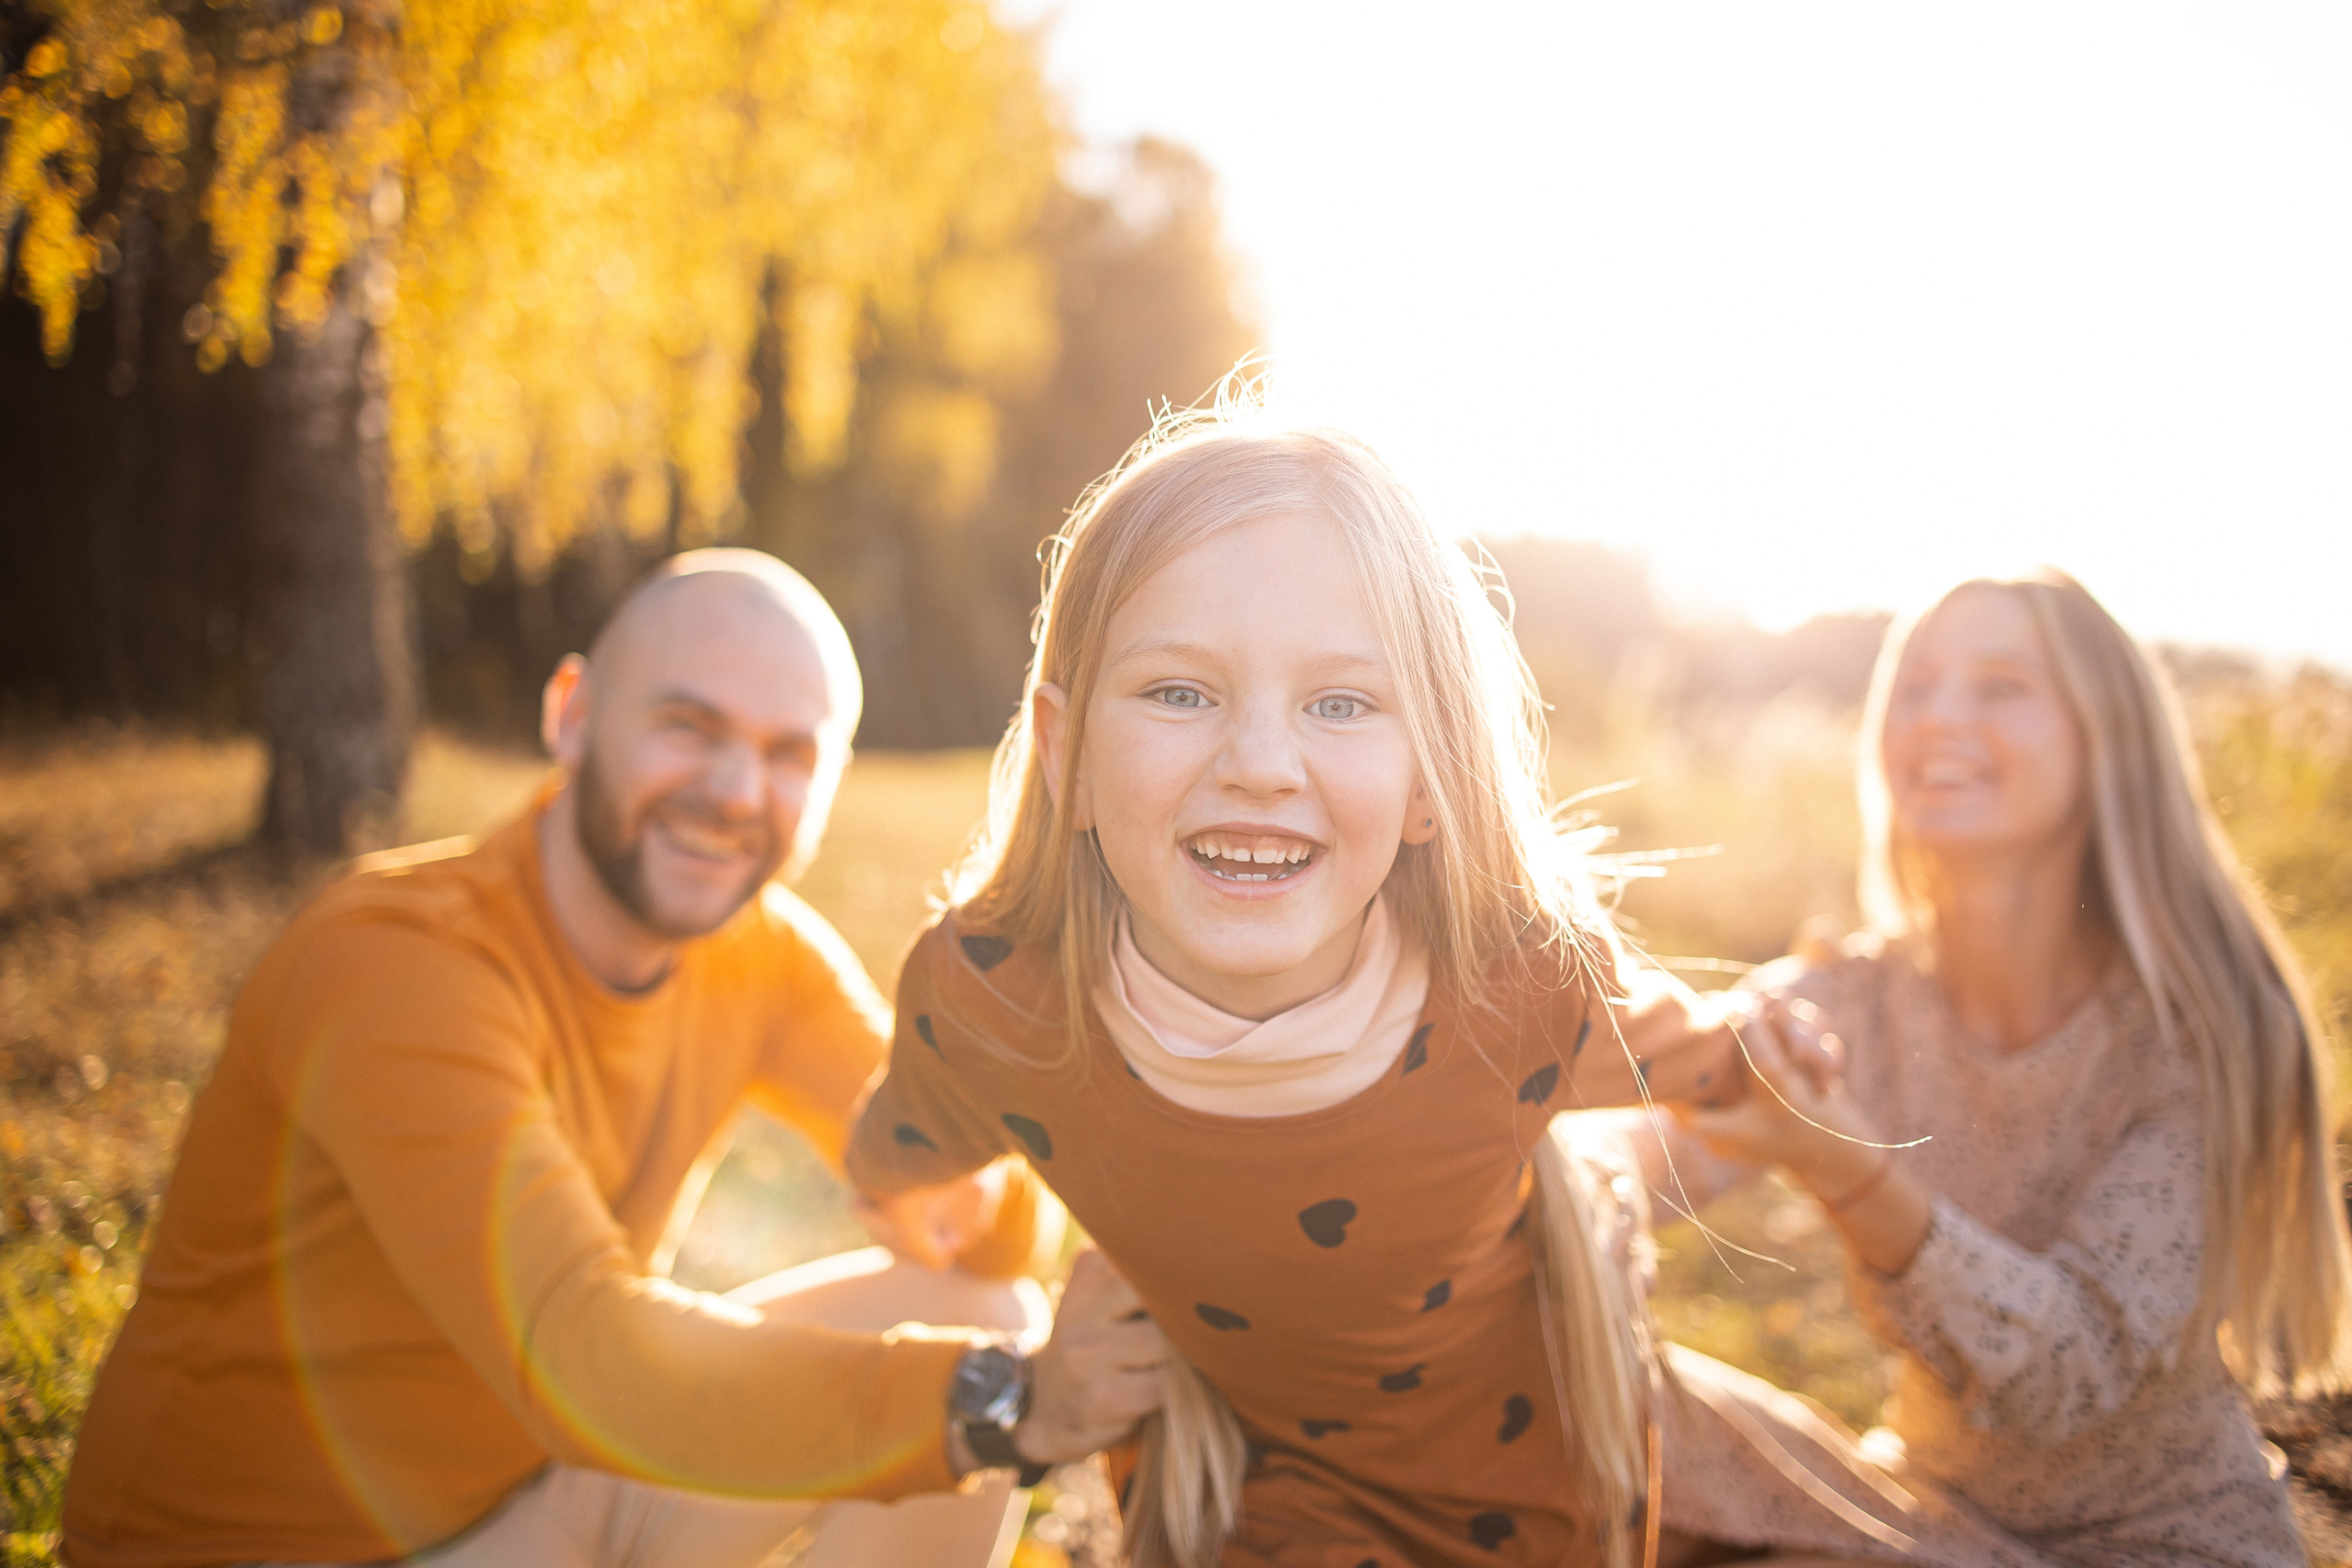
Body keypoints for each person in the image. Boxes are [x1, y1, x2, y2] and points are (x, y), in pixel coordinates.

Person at [62, 550, 1167, 1568]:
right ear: (573, 713)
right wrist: (1007, 1402)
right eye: (688, 726)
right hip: (272, 1545)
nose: (736, 792)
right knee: (986, 1367)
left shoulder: (757, 953)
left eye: (789, 753)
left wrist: (964, 1194)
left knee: (985, 1304)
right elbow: (579, 1353)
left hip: (534, 1498)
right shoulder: (395, 966)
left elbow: (975, 1183)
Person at [842, 399, 1757, 1568]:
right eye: (1180, 692)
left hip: (1519, 1504)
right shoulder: (993, 1001)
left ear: (1431, 780)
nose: (1262, 765)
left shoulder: (1525, 985)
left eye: (1340, 703)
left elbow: (1719, 1062)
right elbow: (893, 1158)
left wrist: (1791, 1069)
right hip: (1230, 1496)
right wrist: (962, 1233)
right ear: (1063, 754)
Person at [1637, 569, 2352, 1566]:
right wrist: (1578, 1170)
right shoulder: (1856, 994)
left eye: (2000, 685)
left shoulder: (2207, 1033)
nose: (1939, 719)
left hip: (2159, 1548)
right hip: (1924, 1518)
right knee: (1602, 1409)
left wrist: (1842, 1164)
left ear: (2107, 740)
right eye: (1916, 687)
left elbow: (2061, 1372)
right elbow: (1656, 1135)